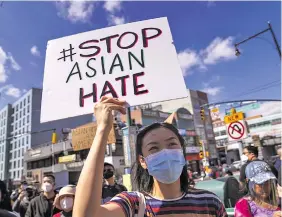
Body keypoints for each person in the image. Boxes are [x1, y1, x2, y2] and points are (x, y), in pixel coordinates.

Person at [73, 97, 227, 217]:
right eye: (154, 148)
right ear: (142, 161)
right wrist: (102, 130)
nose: (165, 152)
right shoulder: (133, 205)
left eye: (172, 144)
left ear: (182, 151)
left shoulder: (210, 202)